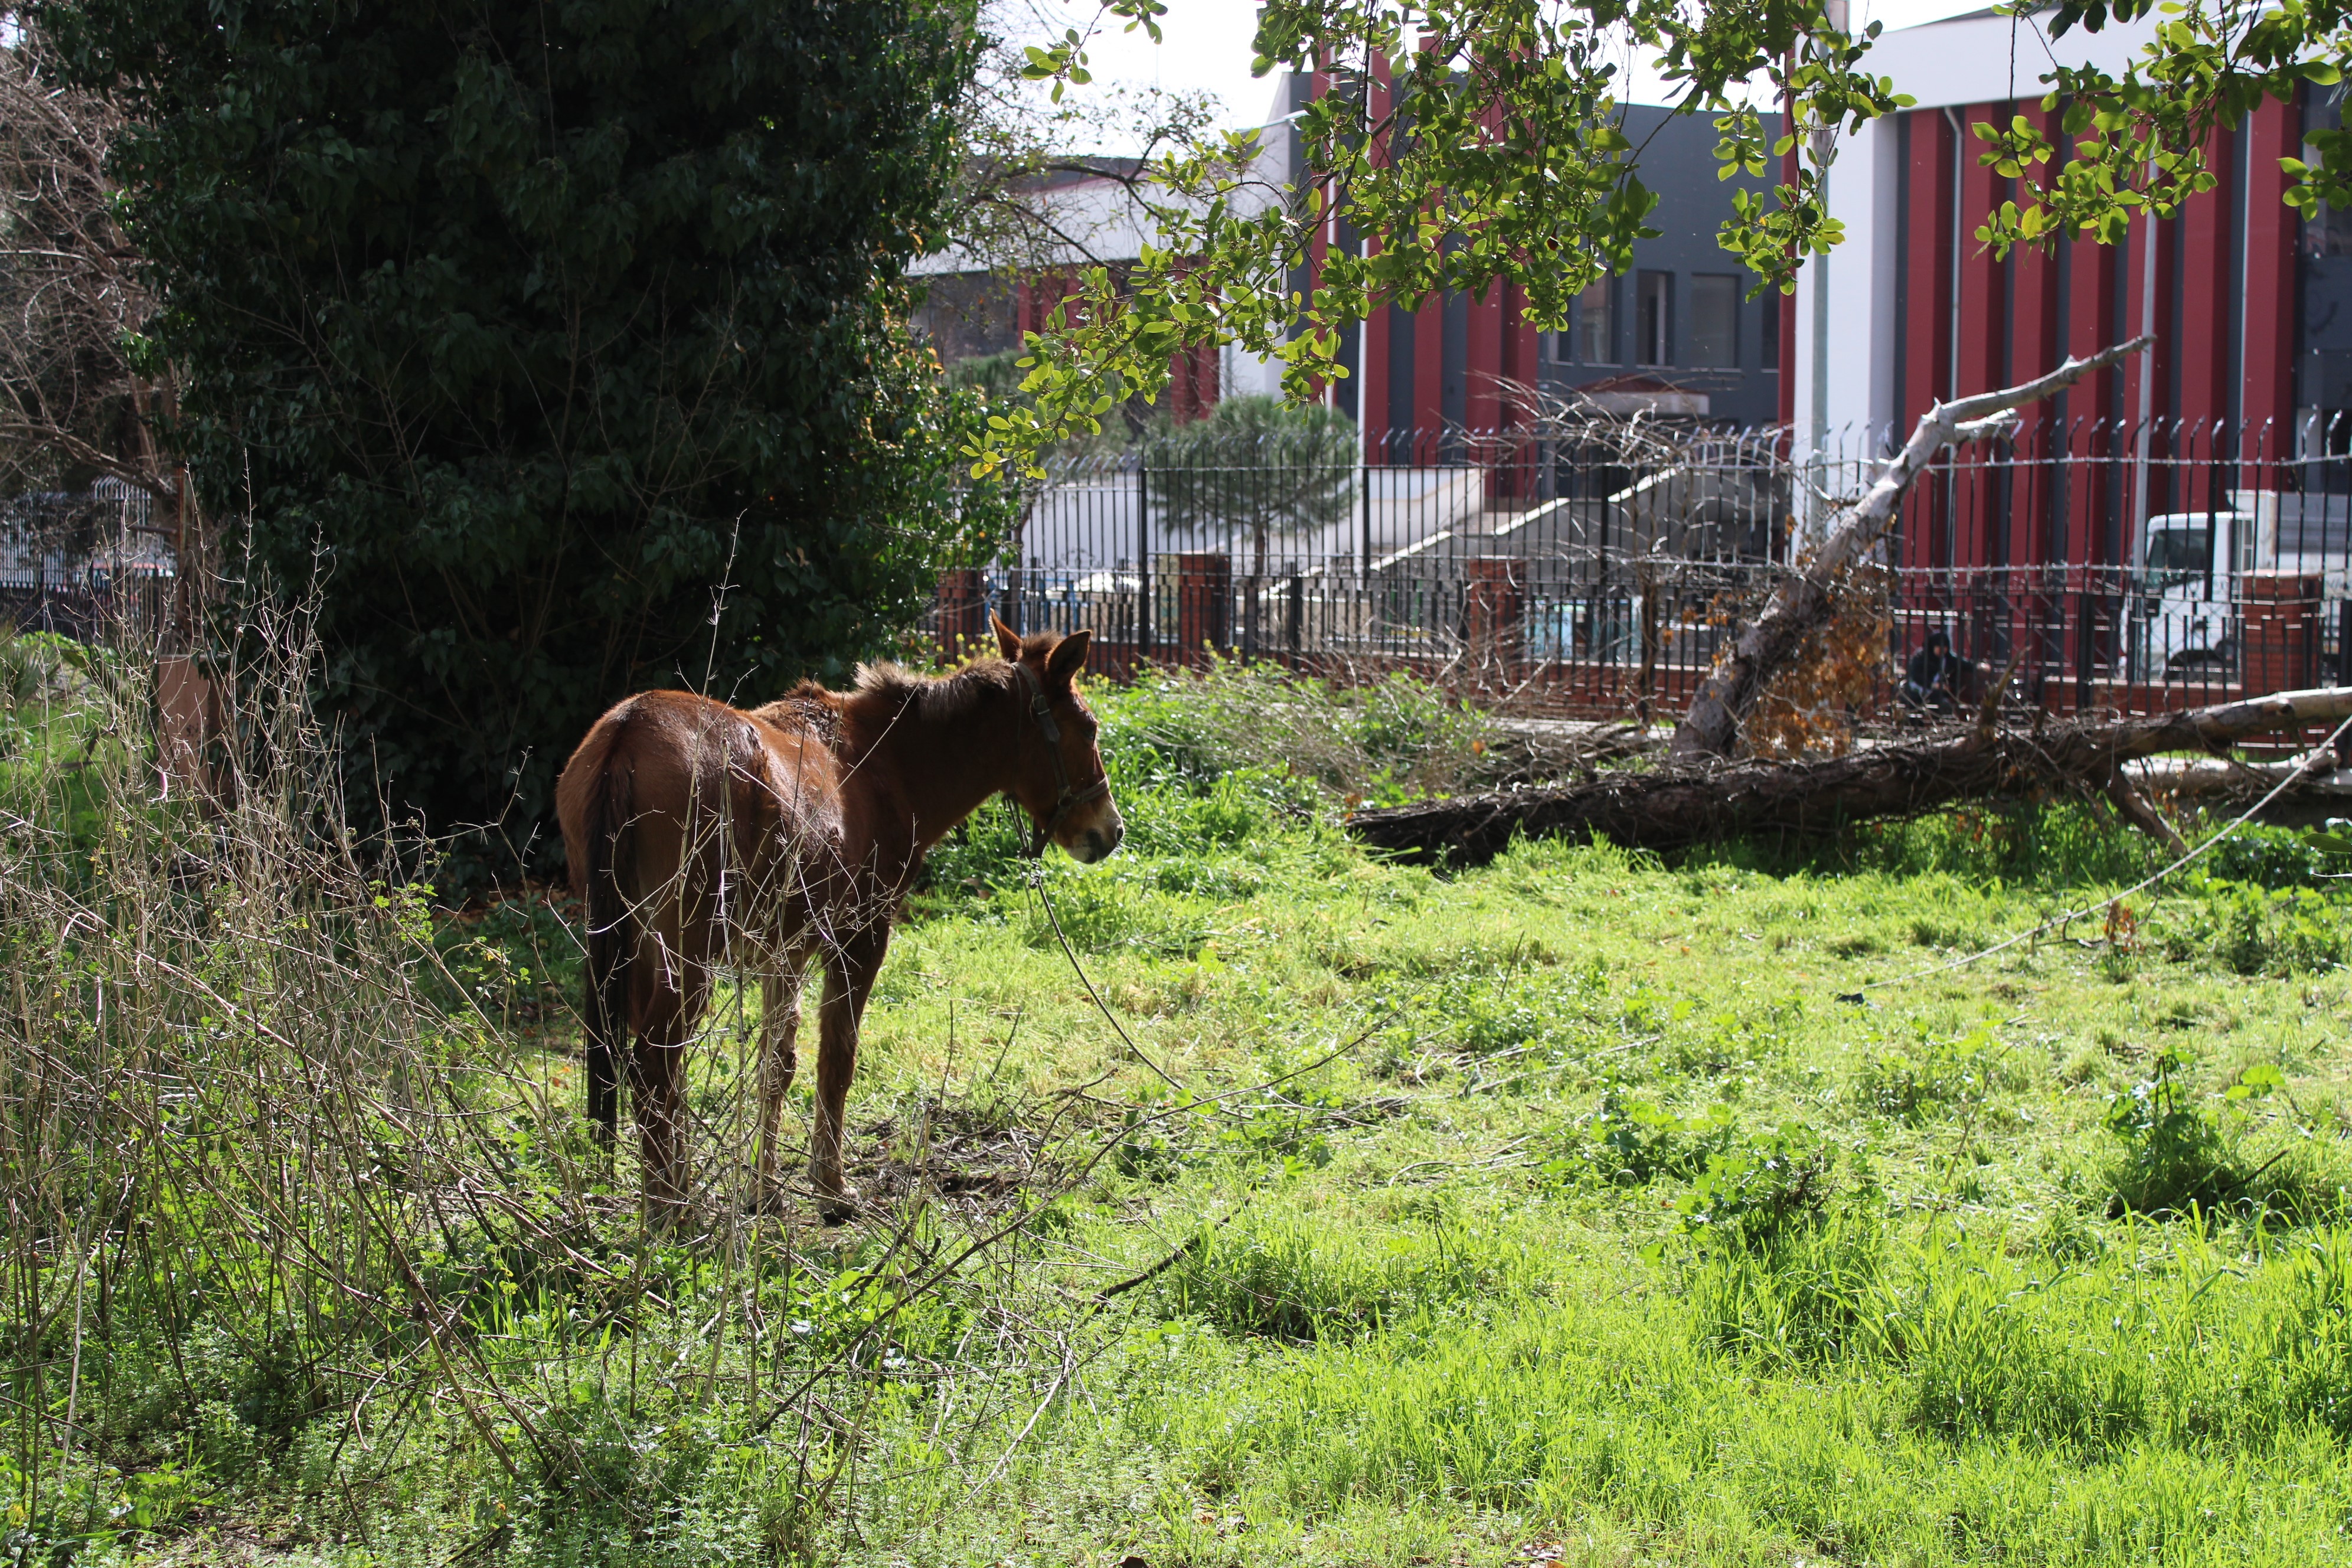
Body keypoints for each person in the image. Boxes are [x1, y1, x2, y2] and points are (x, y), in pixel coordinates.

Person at [1901, 628, 1964, 716]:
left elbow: (1962, 664)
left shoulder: (1947, 659)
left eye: (1945, 647)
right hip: (1917, 691)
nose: (1942, 649)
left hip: (1936, 694)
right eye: (1939, 646)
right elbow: (1917, 676)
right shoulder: (1920, 657)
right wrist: (1933, 685)